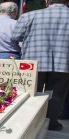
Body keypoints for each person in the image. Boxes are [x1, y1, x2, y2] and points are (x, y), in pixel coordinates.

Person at [11, 0, 69, 131]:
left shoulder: (30, 15)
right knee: (57, 95)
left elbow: (15, 36)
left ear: (47, 1)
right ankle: (51, 123)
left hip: (33, 61)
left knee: (30, 93)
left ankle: (27, 123)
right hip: (64, 62)